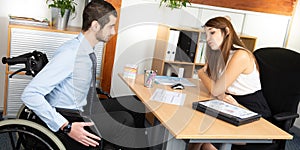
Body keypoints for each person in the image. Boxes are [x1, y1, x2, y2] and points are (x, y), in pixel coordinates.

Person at [21, 1, 148, 149]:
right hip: (70, 115)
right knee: (125, 121)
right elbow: (30, 94)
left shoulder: (85, 50)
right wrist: (66, 126)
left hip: (86, 104)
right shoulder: (71, 54)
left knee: (136, 103)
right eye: (111, 26)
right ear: (95, 26)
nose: (113, 32)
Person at [189, 16, 272, 150]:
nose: (208, 38)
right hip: (230, 104)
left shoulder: (241, 55)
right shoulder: (220, 54)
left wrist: (201, 73)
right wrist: (218, 92)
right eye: (206, 34)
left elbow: (215, 89)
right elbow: (214, 86)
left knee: (205, 140)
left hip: (251, 111)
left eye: (212, 32)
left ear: (226, 31)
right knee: (197, 134)